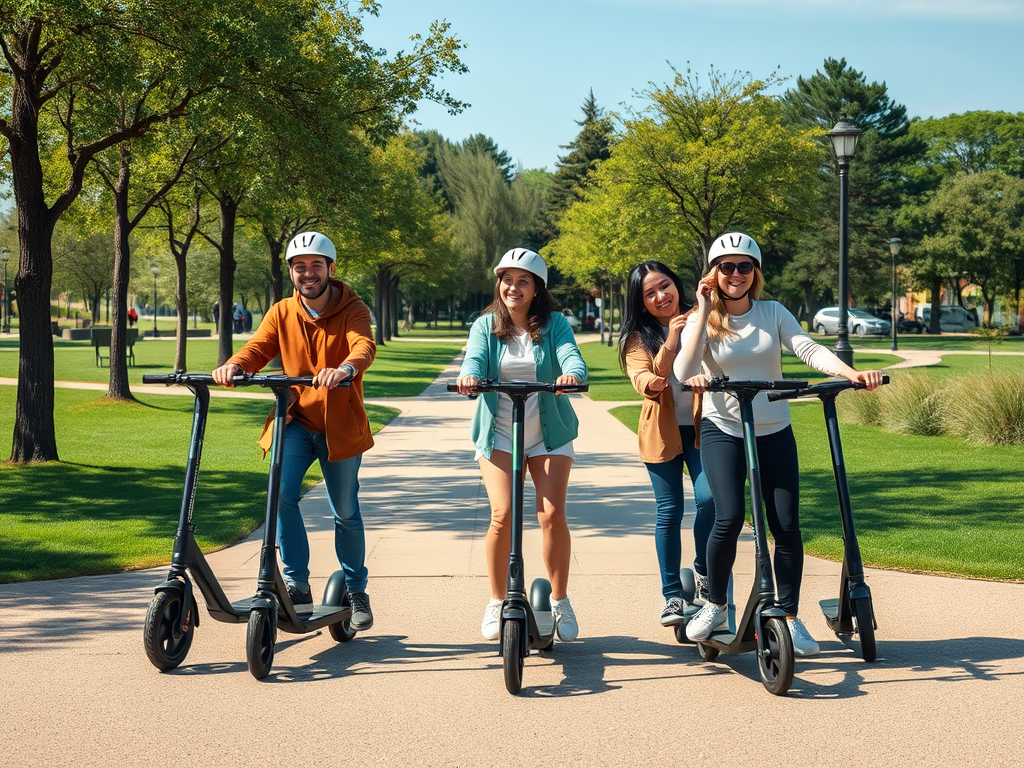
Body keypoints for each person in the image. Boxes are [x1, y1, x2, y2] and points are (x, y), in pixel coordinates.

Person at [674, 232, 882, 656]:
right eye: (727, 267)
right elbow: (684, 365)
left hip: (773, 429)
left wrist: (849, 373)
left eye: (744, 266)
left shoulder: (772, 312)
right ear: (714, 273)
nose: (736, 274)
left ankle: (787, 615)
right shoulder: (704, 319)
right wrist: (703, 309)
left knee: (786, 526)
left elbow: (807, 348)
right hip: (724, 429)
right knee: (728, 518)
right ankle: (714, 604)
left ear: (756, 273)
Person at [212, 231, 377, 630]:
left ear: (330, 270)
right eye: (299, 267)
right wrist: (236, 365)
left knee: (346, 511)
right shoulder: (282, 310)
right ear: (291, 272)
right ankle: (296, 584)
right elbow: (259, 347)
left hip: (339, 426)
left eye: (316, 266)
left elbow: (363, 347)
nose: (308, 273)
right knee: (280, 496)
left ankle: (356, 590)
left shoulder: (353, 307)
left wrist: (345, 369)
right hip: (297, 421)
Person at [456, 247, 587, 642]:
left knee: (551, 516)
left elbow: (571, 356)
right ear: (499, 284)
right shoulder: (485, 325)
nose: (513, 287)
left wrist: (572, 375)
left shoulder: (556, 324)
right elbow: (475, 360)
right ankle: (497, 600)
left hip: (549, 433)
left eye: (523, 280)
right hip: (498, 432)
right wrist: (469, 376)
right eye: (507, 279)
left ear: (536, 288)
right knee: (503, 514)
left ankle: (561, 600)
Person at [618, 261, 716, 627]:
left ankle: (704, 573)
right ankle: (673, 596)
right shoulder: (636, 340)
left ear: (677, 285)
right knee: (669, 511)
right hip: (661, 434)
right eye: (650, 293)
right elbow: (649, 383)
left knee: (710, 500)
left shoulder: (702, 318)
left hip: (702, 428)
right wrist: (672, 340)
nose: (662, 296)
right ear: (641, 303)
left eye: (666, 286)